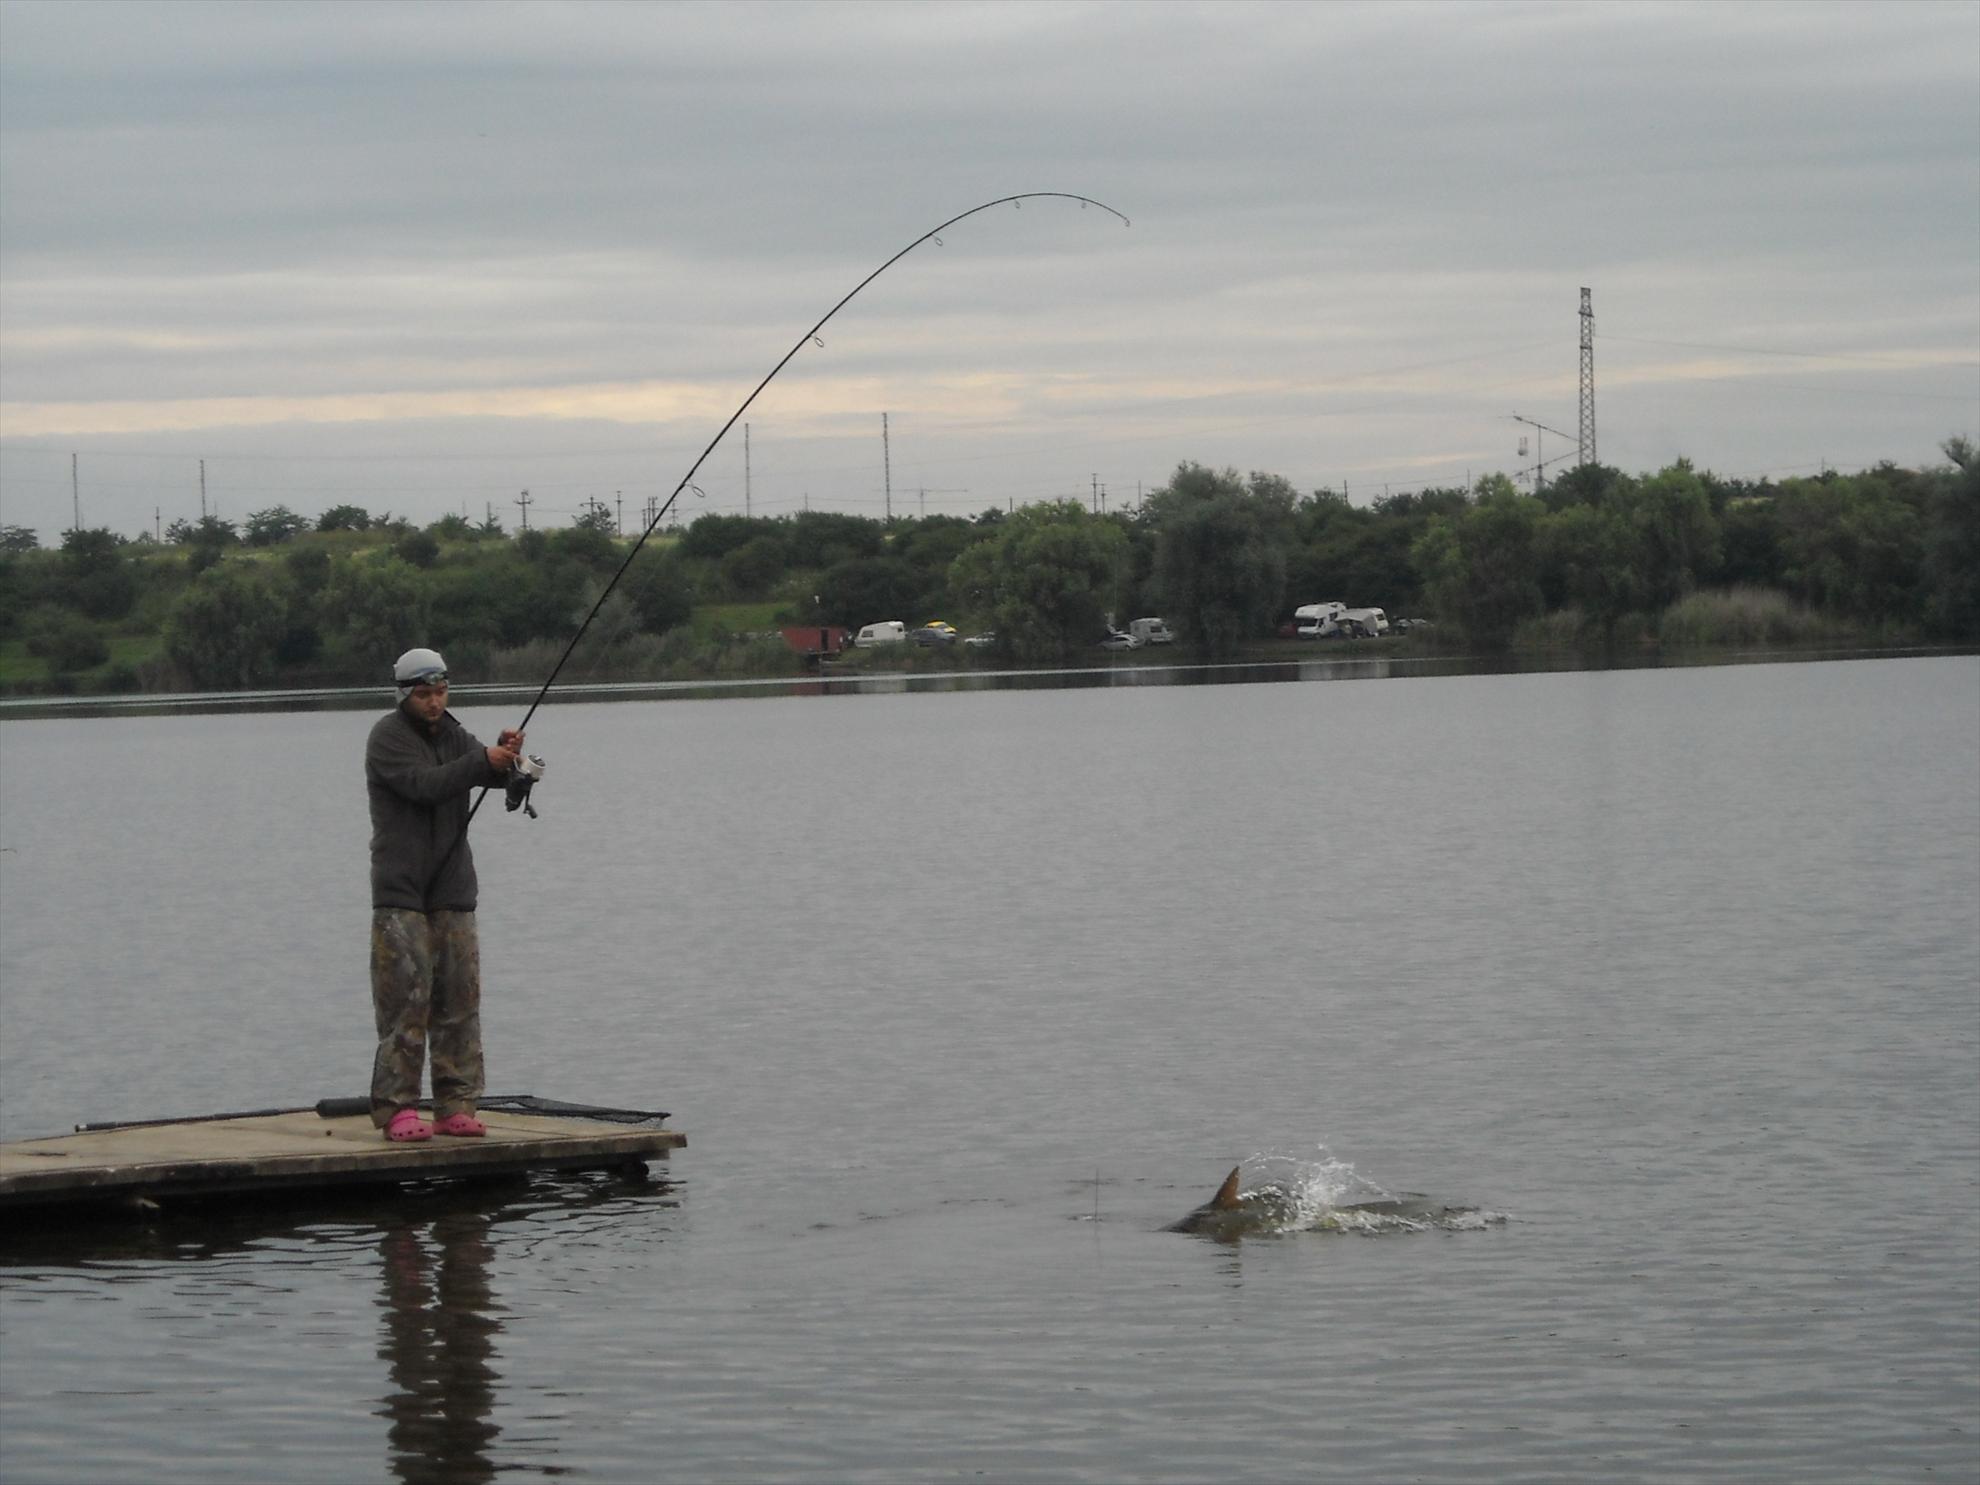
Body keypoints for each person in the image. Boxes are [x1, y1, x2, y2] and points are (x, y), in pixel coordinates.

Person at [365, 647, 523, 1143]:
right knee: (405, 1004)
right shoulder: (387, 738)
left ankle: (456, 1104)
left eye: (440, 692)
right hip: (402, 891)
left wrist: (505, 757)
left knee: (459, 1001)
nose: (434, 703)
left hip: (453, 888)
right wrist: (481, 762)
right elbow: (425, 784)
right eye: (424, 694)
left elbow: (488, 772)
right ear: (404, 695)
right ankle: (398, 1109)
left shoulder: (455, 735)